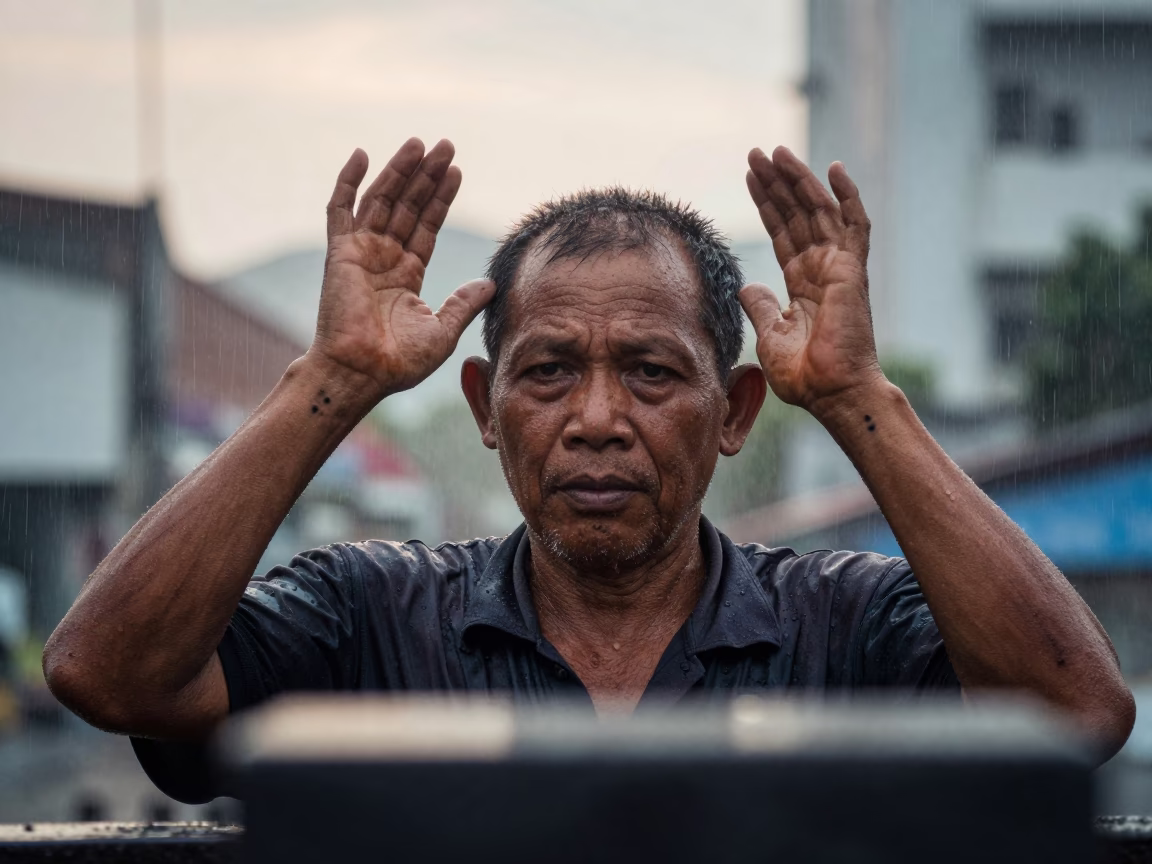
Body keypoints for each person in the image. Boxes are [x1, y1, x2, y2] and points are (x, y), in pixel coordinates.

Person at [43, 138, 1133, 803]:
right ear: (483, 409)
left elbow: (1077, 714)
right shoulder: (369, 614)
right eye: (550, 371)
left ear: (734, 413)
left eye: (654, 374)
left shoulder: (842, 623)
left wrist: (857, 397)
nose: (597, 419)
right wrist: (332, 375)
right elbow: (110, 674)